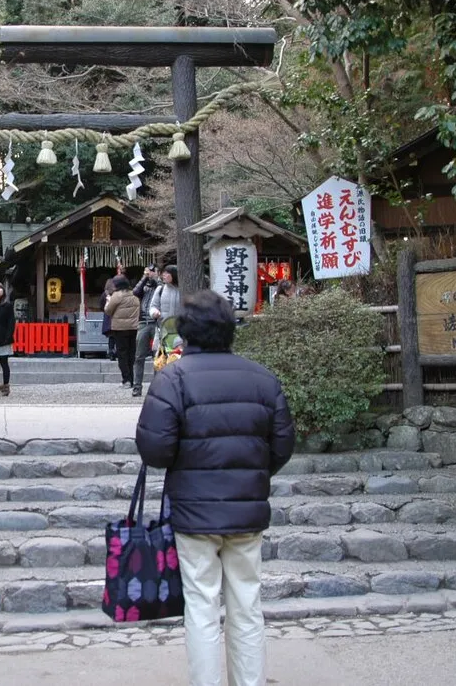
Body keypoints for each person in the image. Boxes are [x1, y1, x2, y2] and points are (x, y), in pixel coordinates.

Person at [135, 289, 295, 686]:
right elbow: (282, 446)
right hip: (247, 511)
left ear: (185, 332)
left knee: (202, 607)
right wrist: (251, 475)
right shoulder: (263, 379)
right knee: (247, 605)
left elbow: (155, 449)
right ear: (229, 330)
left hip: (193, 514)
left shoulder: (173, 379)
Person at [102, 275, 140, 388]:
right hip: (133, 328)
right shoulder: (134, 294)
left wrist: (108, 301)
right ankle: (132, 379)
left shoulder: (117, 296)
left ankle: (126, 380)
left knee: (122, 355)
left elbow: (108, 311)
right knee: (131, 354)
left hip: (120, 328)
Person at [131, 265, 160, 397]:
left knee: (157, 356)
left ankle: (157, 387)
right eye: (149, 271)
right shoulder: (144, 284)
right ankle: (137, 386)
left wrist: (155, 278)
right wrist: (144, 277)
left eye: (153, 271)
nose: (151, 273)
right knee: (139, 356)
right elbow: (135, 292)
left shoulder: (160, 285)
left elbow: (160, 287)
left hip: (156, 323)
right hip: (143, 322)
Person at [148, 264, 180, 352]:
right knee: (162, 360)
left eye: (167, 273)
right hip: (163, 330)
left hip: (180, 330)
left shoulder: (184, 290)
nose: (163, 275)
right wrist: (154, 312)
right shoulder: (160, 289)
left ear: (174, 275)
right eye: (163, 273)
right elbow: (153, 306)